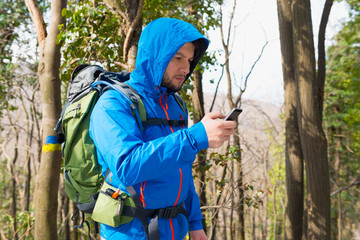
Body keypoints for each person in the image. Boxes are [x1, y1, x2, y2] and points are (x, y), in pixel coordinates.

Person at [89, 17, 237, 240]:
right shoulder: (113, 104)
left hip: (174, 230)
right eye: (178, 58)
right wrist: (195, 137)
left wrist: (195, 224)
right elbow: (127, 166)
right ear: (156, 56)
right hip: (129, 232)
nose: (186, 68)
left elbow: (182, 170)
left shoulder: (175, 105)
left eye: (189, 59)